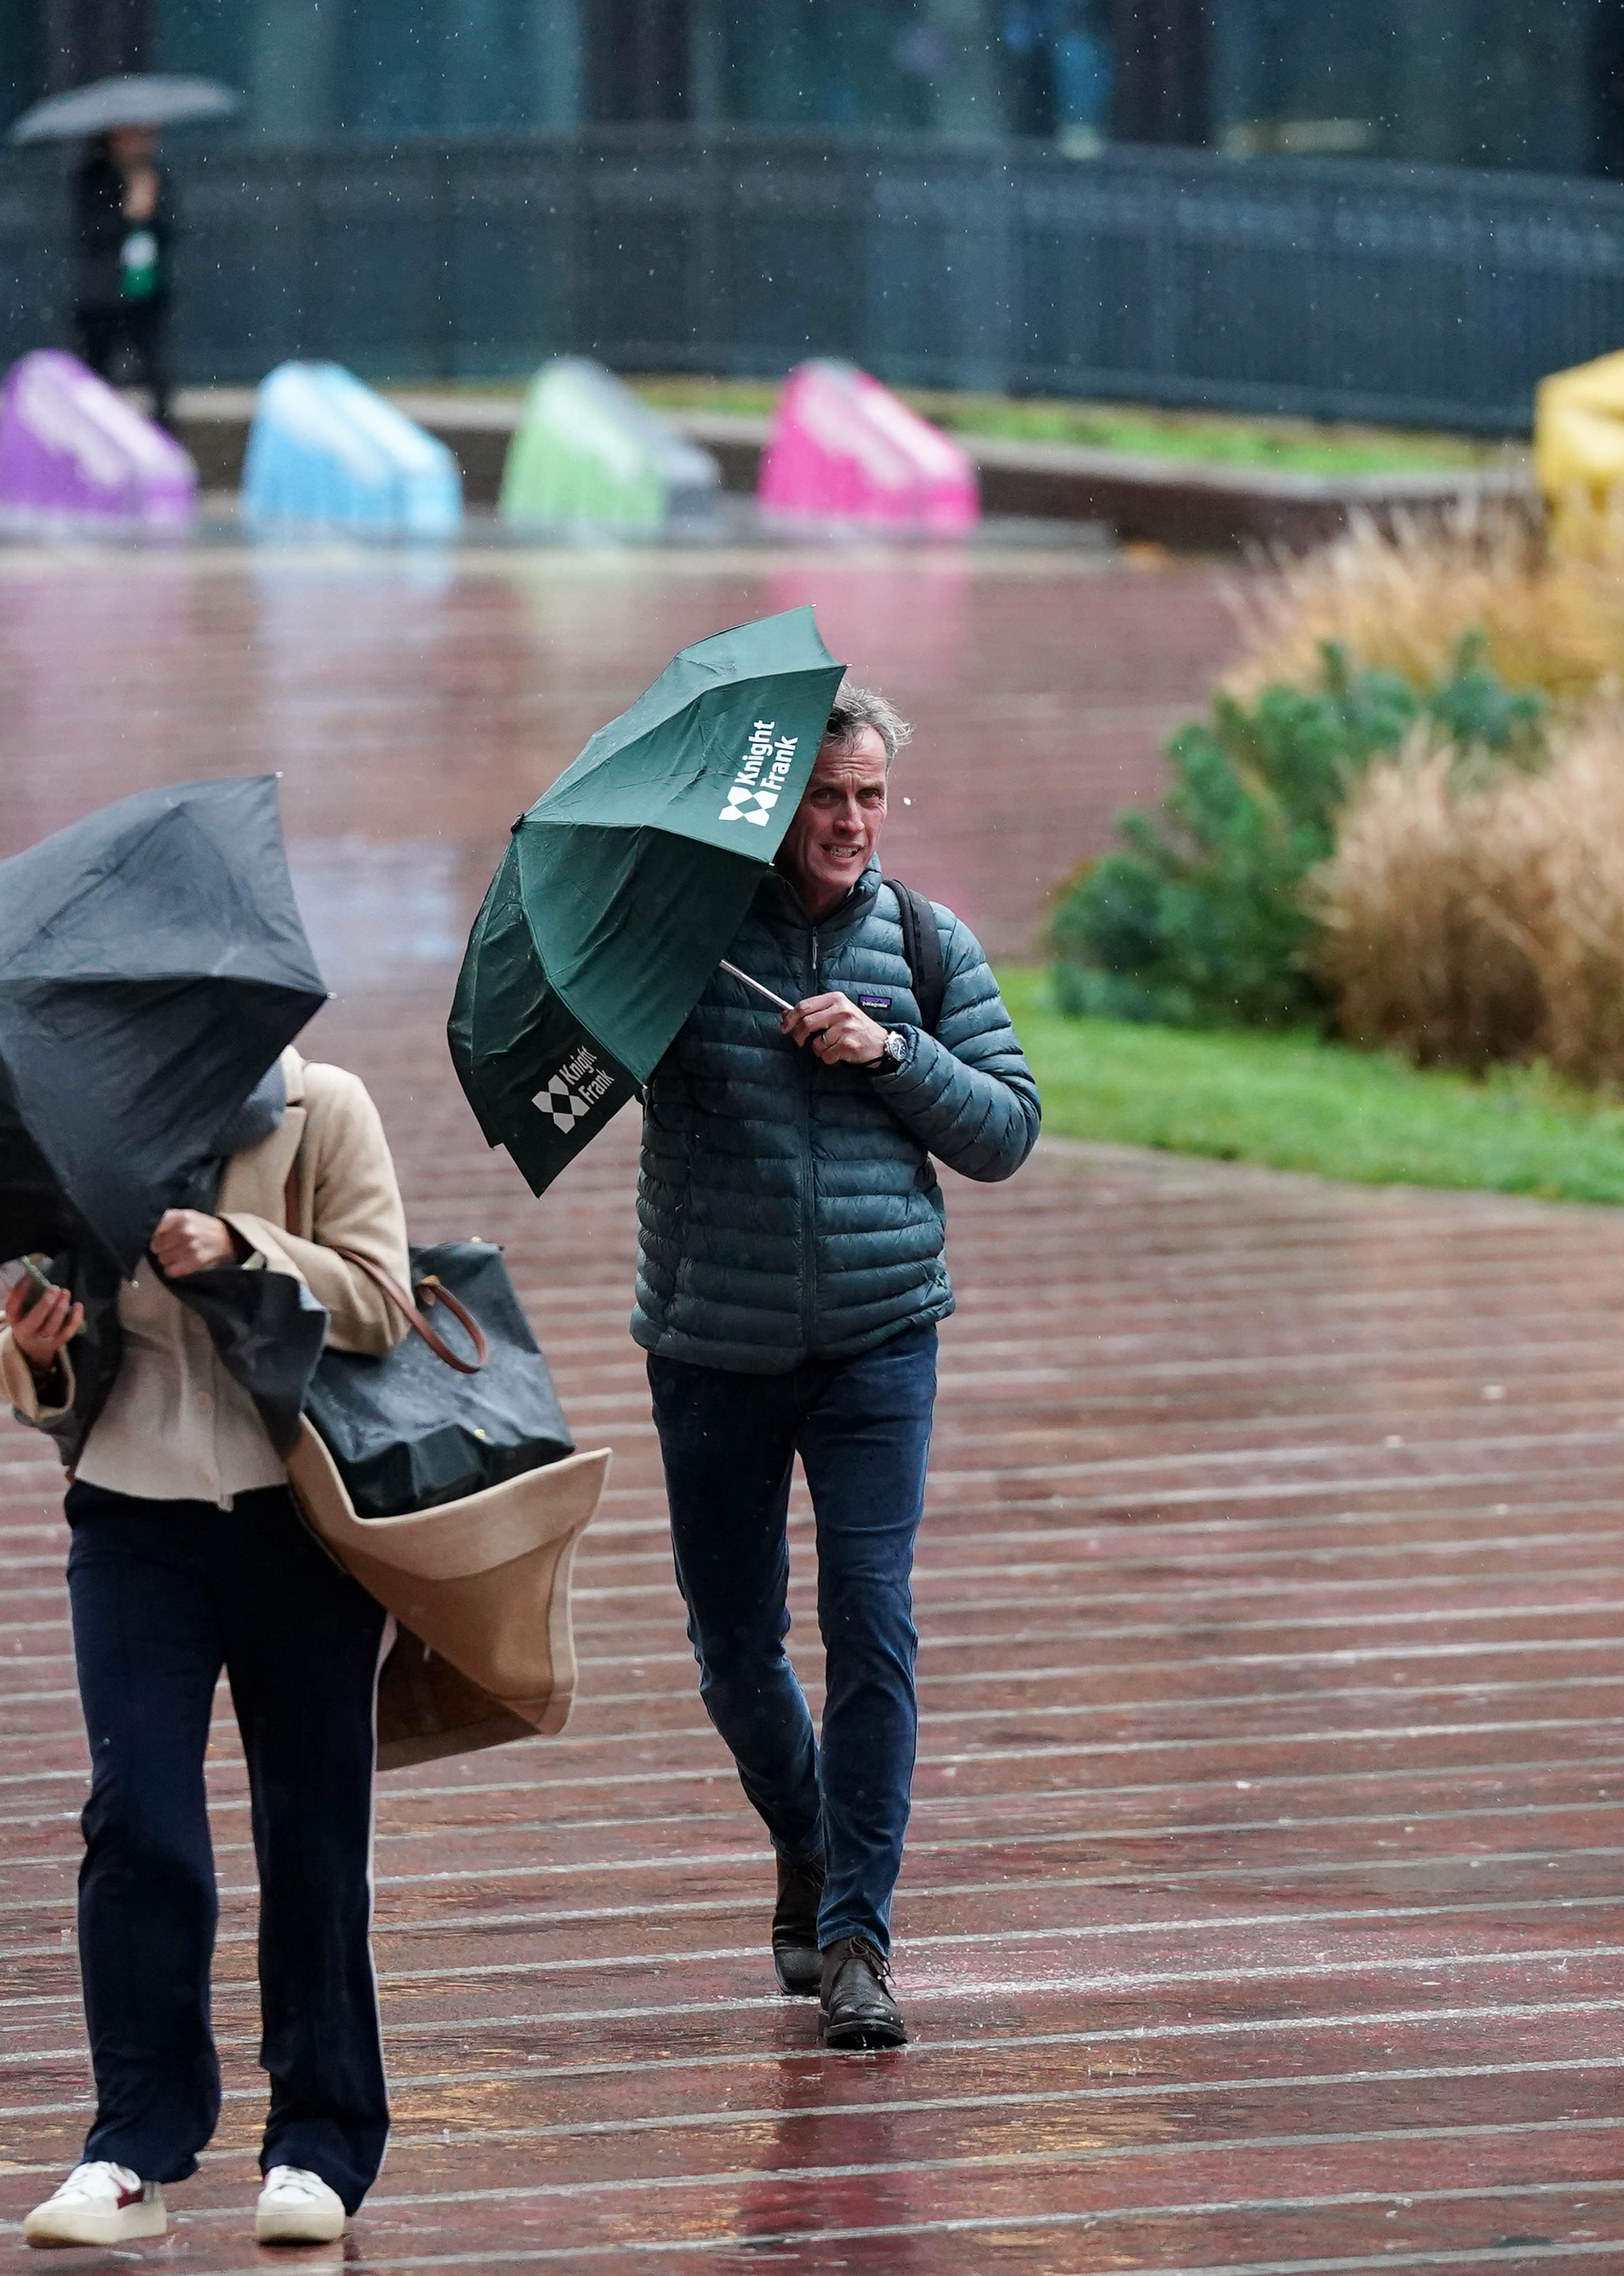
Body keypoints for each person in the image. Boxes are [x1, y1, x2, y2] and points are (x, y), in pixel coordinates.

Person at [639, 682, 1040, 2051]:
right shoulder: (685, 947)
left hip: (878, 1338)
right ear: (774, 807)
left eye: (869, 795)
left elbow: (1006, 1130)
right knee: (733, 1648)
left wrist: (891, 1050)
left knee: (872, 1623)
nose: (853, 820)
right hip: (712, 1343)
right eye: (826, 796)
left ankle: (859, 1935)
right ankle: (806, 1836)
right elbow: (590, 1060)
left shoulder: (925, 940)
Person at [0, 1047, 416, 2250]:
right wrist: (35, 1348)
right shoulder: (76, 1118)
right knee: (139, 1824)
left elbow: (385, 1299)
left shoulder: (324, 1108)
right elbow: (18, 1350)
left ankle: (319, 2145)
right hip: (132, 1517)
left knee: (315, 1837)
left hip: (304, 1518)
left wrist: (245, 1249)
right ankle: (133, 2148)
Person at [72, 126, 178, 439]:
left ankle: (167, 443)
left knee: (156, 375)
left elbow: (170, 231)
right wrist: (126, 214)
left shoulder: (156, 177)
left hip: (146, 294)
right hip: (102, 299)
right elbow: (90, 236)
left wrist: (149, 213)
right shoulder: (92, 178)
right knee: (96, 378)